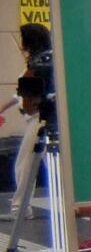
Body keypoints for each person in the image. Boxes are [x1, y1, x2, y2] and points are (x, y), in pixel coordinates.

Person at [2, 23, 49, 220]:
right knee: (50, 164)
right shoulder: (41, 62)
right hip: (39, 118)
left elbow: (28, 97)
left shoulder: (39, 64)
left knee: (25, 164)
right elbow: (20, 94)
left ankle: (20, 209)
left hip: (40, 119)